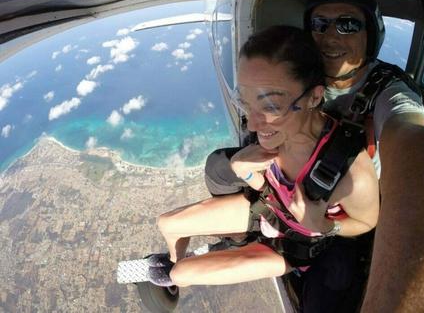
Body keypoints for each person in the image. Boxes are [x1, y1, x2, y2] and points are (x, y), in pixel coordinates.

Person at [203, 0, 424, 312]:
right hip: (280, 183)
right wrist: (243, 161)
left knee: (331, 287)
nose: (331, 35)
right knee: (216, 167)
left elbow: (404, 123)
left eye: (348, 25)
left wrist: (325, 225)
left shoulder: (387, 89)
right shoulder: (297, 71)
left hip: (339, 211)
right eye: (320, 24)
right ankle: (238, 237)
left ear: (371, 33)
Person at [147, 26, 379, 290]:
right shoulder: (278, 135)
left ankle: (178, 276)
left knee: (181, 274)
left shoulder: (350, 174)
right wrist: (243, 171)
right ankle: (179, 262)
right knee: (167, 224)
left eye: (270, 106)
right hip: (269, 211)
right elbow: (274, 189)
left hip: (294, 246)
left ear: (314, 97)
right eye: (245, 102)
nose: (254, 125)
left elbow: (367, 222)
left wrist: (324, 226)